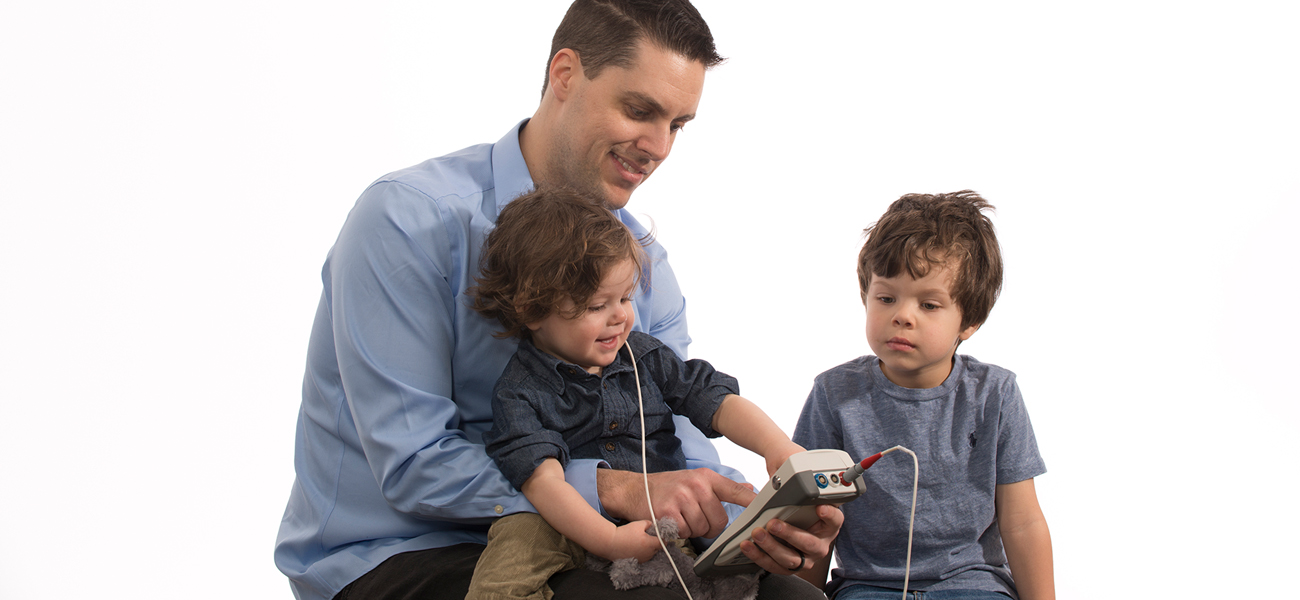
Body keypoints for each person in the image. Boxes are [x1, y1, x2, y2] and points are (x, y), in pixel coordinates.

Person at [274, 2, 841, 599]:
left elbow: (677, 430)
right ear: (565, 75)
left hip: (604, 542)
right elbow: (413, 465)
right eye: (640, 110)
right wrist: (615, 487)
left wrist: (748, 518)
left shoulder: (642, 261)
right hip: (408, 548)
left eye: (677, 124)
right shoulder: (407, 223)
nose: (659, 146)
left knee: (792, 597)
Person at [462, 187, 806, 599]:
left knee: (741, 561)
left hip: (661, 510)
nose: (621, 316)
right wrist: (608, 541)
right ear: (533, 310)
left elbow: (715, 401)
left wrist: (777, 447)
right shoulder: (519, 392)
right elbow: (545, 486)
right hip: (562, 520)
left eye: (625, 297)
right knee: (511, 554)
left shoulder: (643, 355)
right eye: (597, 306)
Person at [792, 191, 1055, 600]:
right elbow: (811, 513)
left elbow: (1022, 522)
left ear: (969, 321)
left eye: (929, 305)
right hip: (868, 585)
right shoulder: (834, 394)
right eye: (886, 298)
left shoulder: (995, 394)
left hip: (972, 584)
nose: (902, 315)